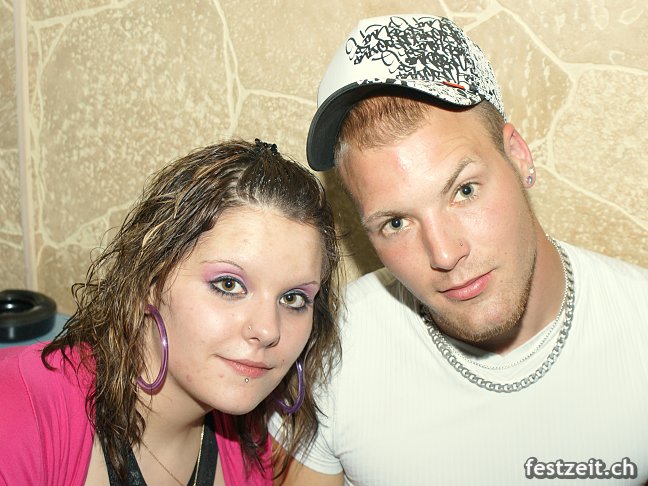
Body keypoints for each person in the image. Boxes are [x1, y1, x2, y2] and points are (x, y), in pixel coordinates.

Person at [271, 14, 648, 485]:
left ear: (518, 156)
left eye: (464, 191)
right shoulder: (329, 347)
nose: (444, 254)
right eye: (396, 223)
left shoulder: (639, 324)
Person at [0, 139, 341, 486]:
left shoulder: (250, 446)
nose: (268, 330)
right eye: (228, 285)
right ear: (150, 277)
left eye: (294, 299)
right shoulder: (19, 411)